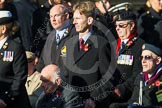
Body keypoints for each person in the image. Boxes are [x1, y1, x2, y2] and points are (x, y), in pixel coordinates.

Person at [62, 1, 112, 108]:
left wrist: (94, 99)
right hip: (71, 102)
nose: (74, 22)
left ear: (89, 20)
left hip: (90, 103)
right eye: (74, 18)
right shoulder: (70, 43)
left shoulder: (101, 44)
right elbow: (67, 74)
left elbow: (109, 79)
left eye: (78, 18)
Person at [109, 8, 145, 106]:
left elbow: (138, 74)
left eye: (121, 25)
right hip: (109, 93)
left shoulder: (140, 46)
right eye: (116, 25)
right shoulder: (112, 44)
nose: (117, 28)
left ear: (132, 25)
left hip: (127, 96)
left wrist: (122, 88)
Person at [110, 44, 162, 108]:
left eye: (147, 57)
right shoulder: (140, 77)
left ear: (158, 60)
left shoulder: (160, 80)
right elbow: (133, 101)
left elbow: (158, 104)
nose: (143, 61)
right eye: (141, 57)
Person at [0, 10, 31, 108]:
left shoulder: (15, 47)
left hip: (12, 102)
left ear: (3, 29)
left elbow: (20, 77)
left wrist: (6, 98)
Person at [35, 4, 76, 75]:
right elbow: (42, 59)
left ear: (66, 16)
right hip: (49, 81)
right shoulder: (51, 36)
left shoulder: (75, 33)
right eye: (51, 16)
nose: (53, 19)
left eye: (56, 15)